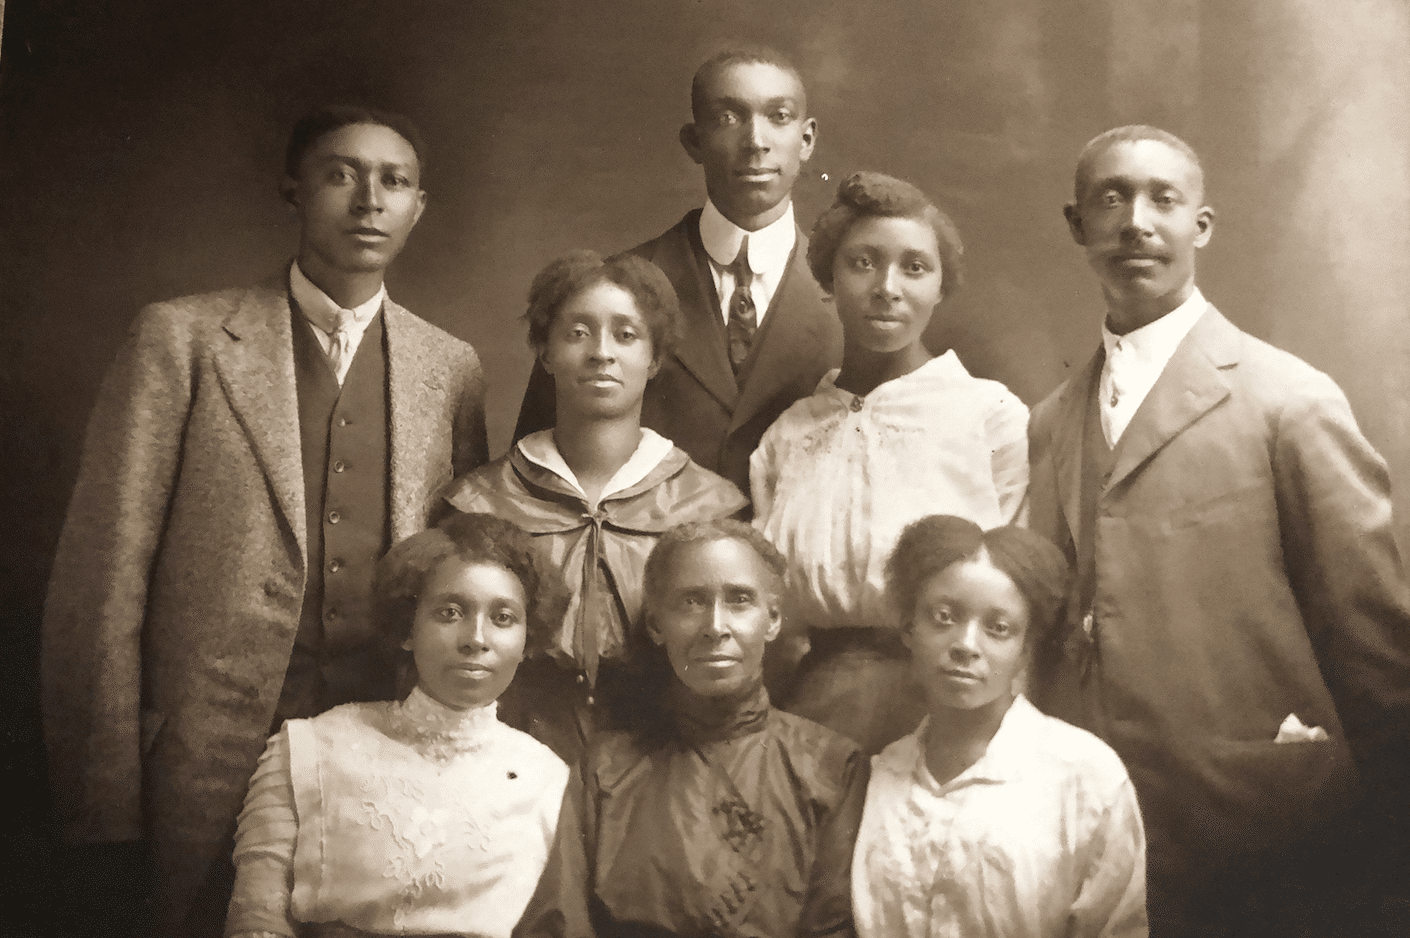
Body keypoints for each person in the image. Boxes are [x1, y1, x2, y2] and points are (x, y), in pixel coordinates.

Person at [41, 105, 488, 936]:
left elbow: (455, 578)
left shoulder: (449, 368)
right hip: (204, 760)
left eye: (394, 181)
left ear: (419, 207)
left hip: (376, 752)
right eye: (340, 174)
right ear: (293, 190)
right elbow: (102, 583)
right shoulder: (183, 340)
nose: (368, 200)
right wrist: (102, 806)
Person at [1028, 124, 1410, 936]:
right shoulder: (1051, 421)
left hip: (1263, 826)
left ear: (1200, 226)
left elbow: (1377, 653)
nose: (1136, 221)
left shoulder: (1288, 402)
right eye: (1111, 198)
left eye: (1163, 199)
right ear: (1076, 227)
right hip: (1103, 830)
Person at [751, 171, 1029, 754]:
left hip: (952, 708)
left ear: (940, 286)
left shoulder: (989, 416)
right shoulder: (789, 434)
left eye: (914, 267)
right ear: (828, 278)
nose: (887, 287)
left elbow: (1018, 593)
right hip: (812, 709)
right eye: (864, 263)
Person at [441, 250, 746, 763]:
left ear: (655, 359)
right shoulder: (480, 505)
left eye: (626, 335)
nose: (601, 352)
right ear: (545, 352)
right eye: (578, 333)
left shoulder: (709, 510)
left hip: (667, 765)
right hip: (508, 767)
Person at [513, 46, 842, 496]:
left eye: (778, 116)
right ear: (694, 141)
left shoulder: (851, 298)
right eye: (728, 118)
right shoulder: (607, 293)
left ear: (806, 140)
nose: (755, 141)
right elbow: (535, 468)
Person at [515, 520, 866, 938]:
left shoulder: (831, 767)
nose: (715, 626)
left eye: (739, 600)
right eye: (691, 602)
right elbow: (560, 923)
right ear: (657, 625)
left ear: (772, 620)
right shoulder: (605, 768)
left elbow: (835, 926)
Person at [224, 513, 568, 938]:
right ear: (408, 628)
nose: (475, 638)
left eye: (502, 618)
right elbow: (258, 920)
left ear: (526, 641)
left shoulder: (549, 781)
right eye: (450, 612)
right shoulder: (310, 749)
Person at [854, 514, 1147, 938]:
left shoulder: (1085, 777)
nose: (966, 646)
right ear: (908, 628)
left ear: (1025, 647)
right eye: (943, 616)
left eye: (998, 629)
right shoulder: (878, 776)